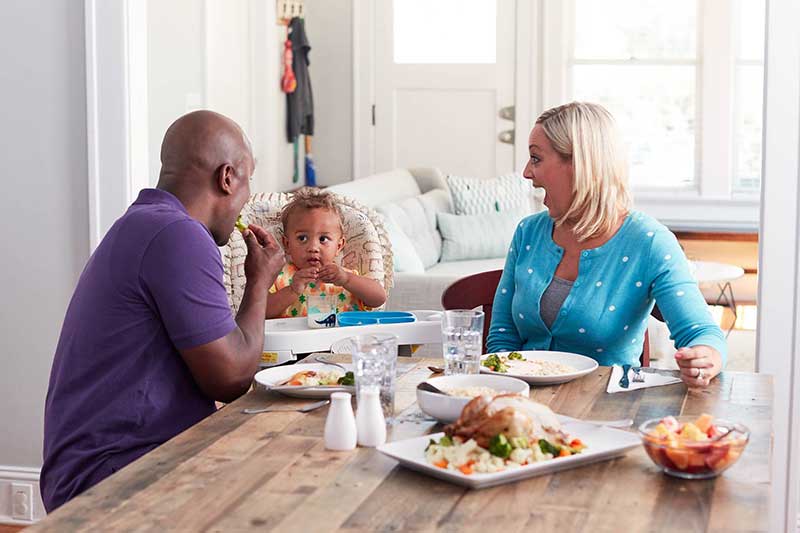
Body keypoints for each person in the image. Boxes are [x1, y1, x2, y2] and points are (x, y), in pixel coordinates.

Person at [41, 111, 285, 511]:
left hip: (104, 465)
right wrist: (259, 282)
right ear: (227, 178)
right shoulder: (178, 234)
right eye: (248, 181)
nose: (246, 200)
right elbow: (231, 378)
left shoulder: (145, 224)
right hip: (112, 479)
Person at [487, 102, 726, 388]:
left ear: (580, 165)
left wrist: (704, 358)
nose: (527, 173)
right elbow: (502, 338)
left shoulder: (648, 242)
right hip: (524, 406)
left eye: (536, 159)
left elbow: (702, 332)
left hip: (607, 410)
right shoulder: (528, 232)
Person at [266, 188, 387, 318]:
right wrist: (292, 290)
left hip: (342, 338)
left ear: (339, 246)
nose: (313, 247)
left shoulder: (346, 278)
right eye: (302, 238)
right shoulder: (279, 277)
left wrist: (346, 279)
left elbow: (379, 299)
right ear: (287, 244)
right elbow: (262, 312)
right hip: (296, 338)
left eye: (323, 239)